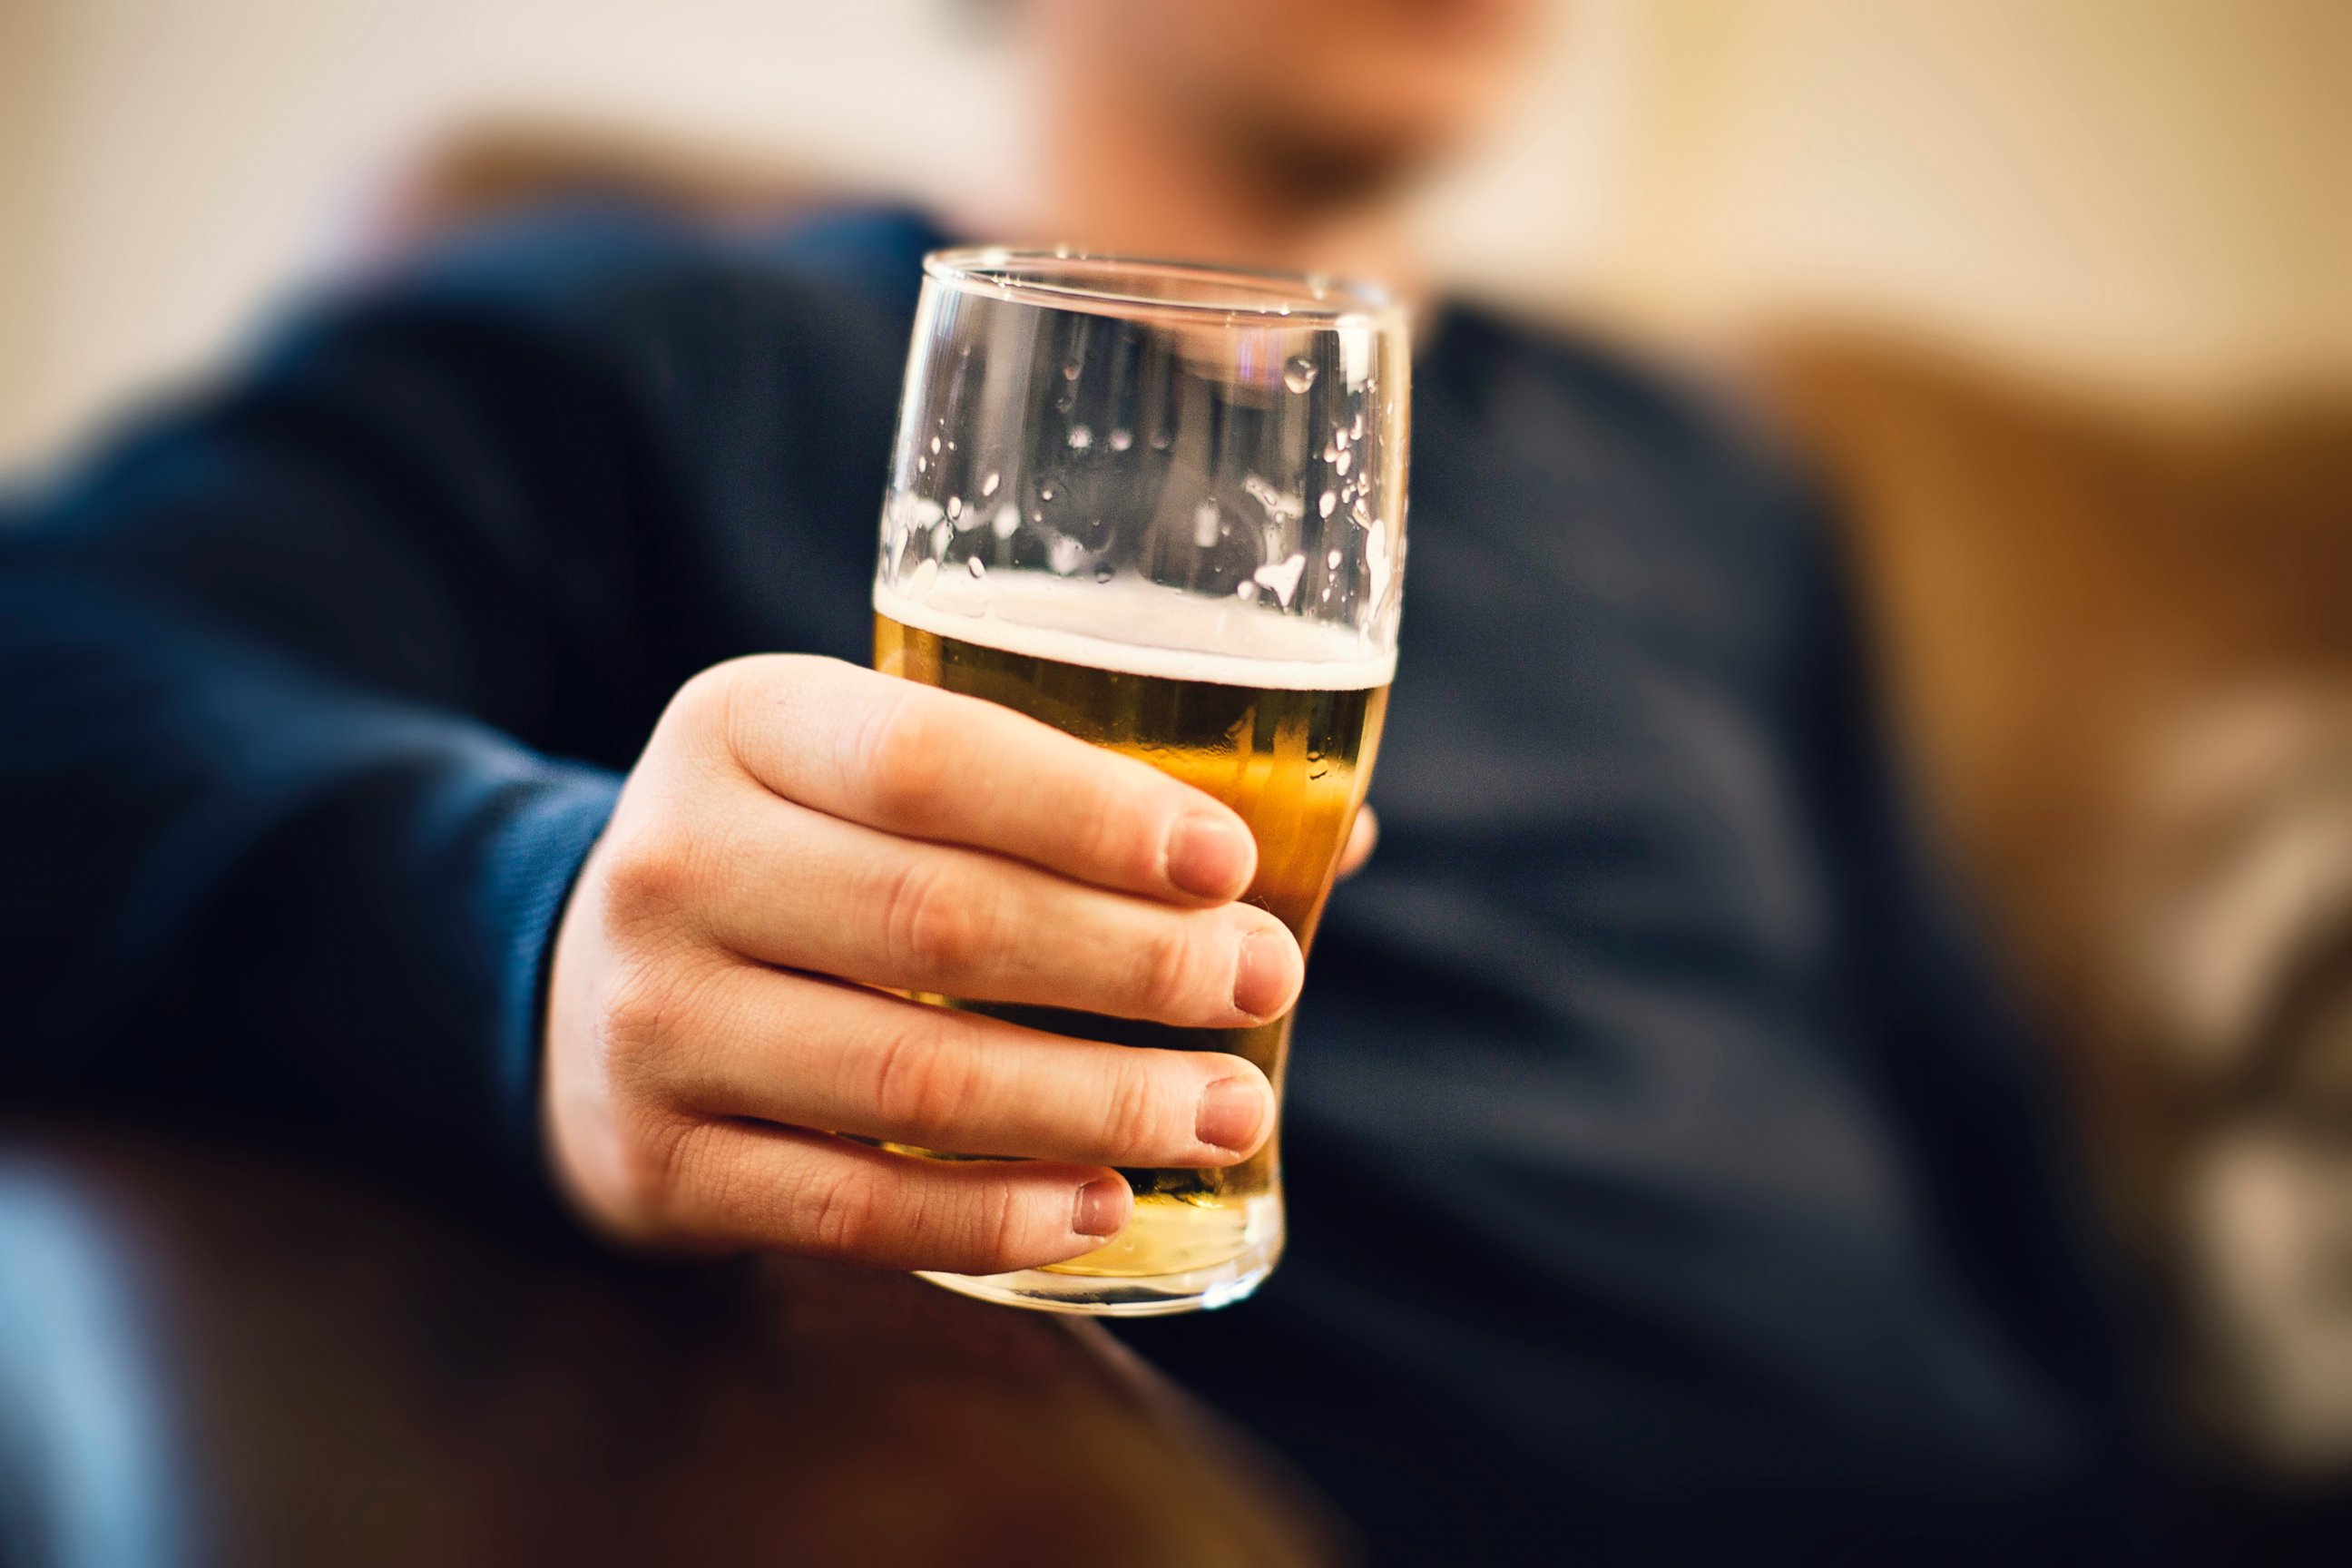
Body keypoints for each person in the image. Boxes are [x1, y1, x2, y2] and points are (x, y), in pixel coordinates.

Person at [0, 0, 2156, 1559]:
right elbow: (56, 679)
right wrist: (530, 921)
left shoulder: (1702, 477)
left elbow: (1979, 1147)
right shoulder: (651, 350)